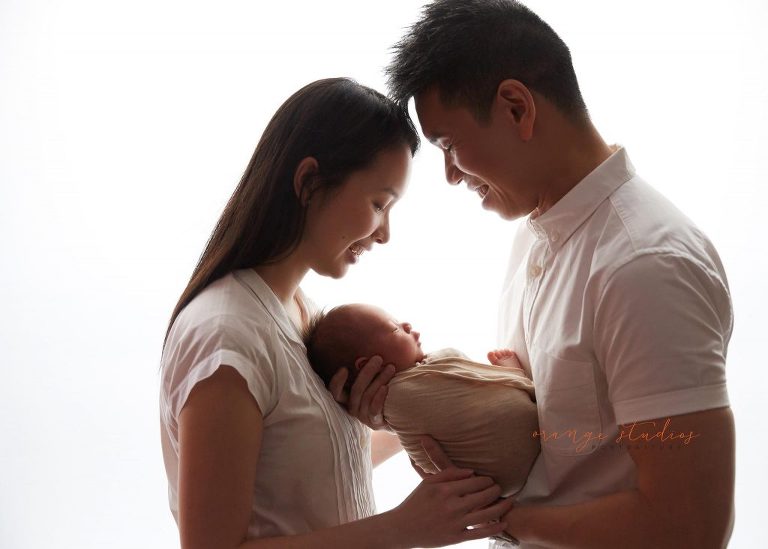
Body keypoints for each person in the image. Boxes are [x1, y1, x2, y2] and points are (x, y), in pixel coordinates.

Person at [332, 1, 736, 547]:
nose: (451, 177)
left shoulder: (645, 266)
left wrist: (504, 520)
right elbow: (556, 436)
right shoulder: (536, 235)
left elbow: (688, 524)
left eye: (449, 146)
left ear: (516, 108)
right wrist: (402, 416)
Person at [159, 78, 514, 549]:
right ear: (309, 182)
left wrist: (391, 422)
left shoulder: (296, 311)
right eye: (378, 204)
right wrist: (401, 529)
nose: (385, 233)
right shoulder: (226, 335)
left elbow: (297, 477)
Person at [303, 303, 540, 497]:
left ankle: (512, 377)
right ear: (367, 365)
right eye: (395, 329)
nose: (407, 325)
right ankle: (513, 375)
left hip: (499, 485)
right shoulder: (398, 397)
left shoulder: (396, 402)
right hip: (512, 460)